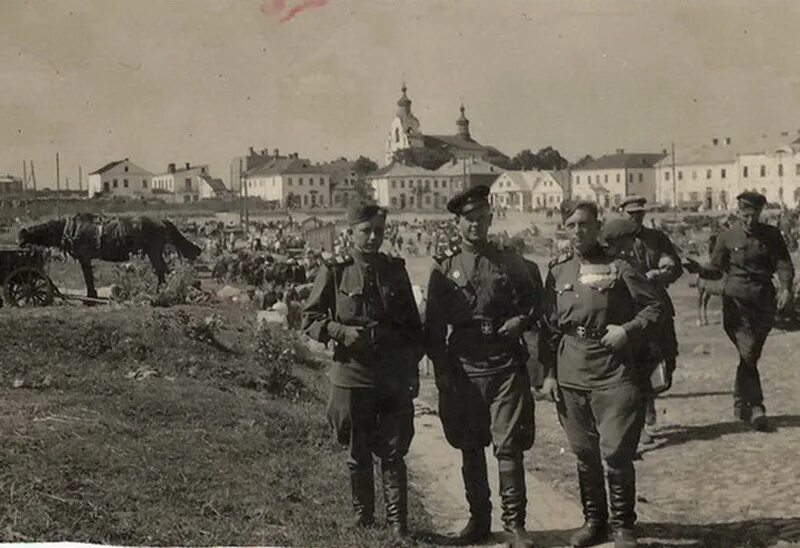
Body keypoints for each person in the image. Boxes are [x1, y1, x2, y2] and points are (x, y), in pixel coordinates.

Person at [538, 202, 663, 548]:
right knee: (583, 451)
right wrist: (548, 374)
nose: (578, 231)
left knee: (618, 451)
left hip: (614, 369)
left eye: (585, 224)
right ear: (564, 228)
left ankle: (623, 525)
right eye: (571, 224)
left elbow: (654, 308)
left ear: (597, 227)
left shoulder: (621, 266)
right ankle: (594, 521)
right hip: (571, 372)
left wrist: (627, 330)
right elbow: (548, 327)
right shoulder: (558, 272)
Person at [424, 185, 542, 548]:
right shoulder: (444, 268)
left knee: (509, 447)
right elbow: (432, 327)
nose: (476, 225)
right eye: (468, 219)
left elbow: (536, 302)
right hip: (465, 368)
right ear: (457, 223)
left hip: (505, 363)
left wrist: (521, 321)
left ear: (490, 219)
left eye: (481, 218)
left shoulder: (511, 261)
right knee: (471, 445)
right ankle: (479, 521)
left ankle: (515, 525)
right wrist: (443, 370)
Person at [302, 203, 424, 538]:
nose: (372, 237)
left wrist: (411, 372)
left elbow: (414, 329)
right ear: (350, 232)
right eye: (365, 231)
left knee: (394, 450)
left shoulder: (396, 270)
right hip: (352, 373)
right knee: (358, 450)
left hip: (391, 375)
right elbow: (310, 319)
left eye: (378, 231)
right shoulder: (337, 270)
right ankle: (365, 518)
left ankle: (399, 525)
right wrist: (340, 332)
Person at [685, 191, 794, 431]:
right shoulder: (727, 236)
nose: (750, 219)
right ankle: (756, 406)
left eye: (754, 214)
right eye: (745, 214)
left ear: (761, 212)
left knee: (750, 355)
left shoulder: (772, 236)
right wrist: (699, 269)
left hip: (763, 303)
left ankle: (739, 400)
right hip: (735, 305)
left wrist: (785, 288)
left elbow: (784, 264)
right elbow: (715, 268)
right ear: (738, 212)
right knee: (748, 353)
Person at [618, 195, 683, 446]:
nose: (636, 217)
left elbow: (675, 265)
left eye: (639, 213)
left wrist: (664, 270)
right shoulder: (612, 240)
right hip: (629, 311)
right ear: (621, 212)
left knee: (666, 359)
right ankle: (641, 419)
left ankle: (650, 400)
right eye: (631, 213)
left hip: (658, 307)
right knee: (636, 365)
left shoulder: (656, 238)